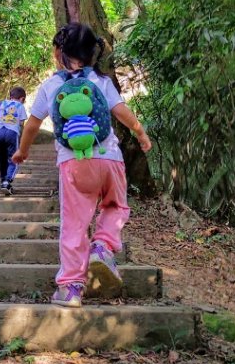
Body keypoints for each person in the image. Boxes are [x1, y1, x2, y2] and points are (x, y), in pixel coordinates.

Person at [12, 23, 152, 307]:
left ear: (58, 52)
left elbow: (32, 125)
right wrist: (140, 132)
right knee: (116, 205)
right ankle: (102, 246)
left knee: (75, 224)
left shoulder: (52, 85)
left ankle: (71, 289)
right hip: (110, 159)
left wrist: (22, 152)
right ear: (91, 54)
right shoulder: (101, 80)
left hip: (74, 164)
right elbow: (121, 111)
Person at [0, 86, 27, 195]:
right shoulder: (20, 106)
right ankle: (7, 181)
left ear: (10, 96)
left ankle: (3, 181)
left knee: (2, 158)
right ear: (22, 99)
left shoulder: (2, 103)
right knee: (14, 158)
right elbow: (21, 123)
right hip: (12, 133)